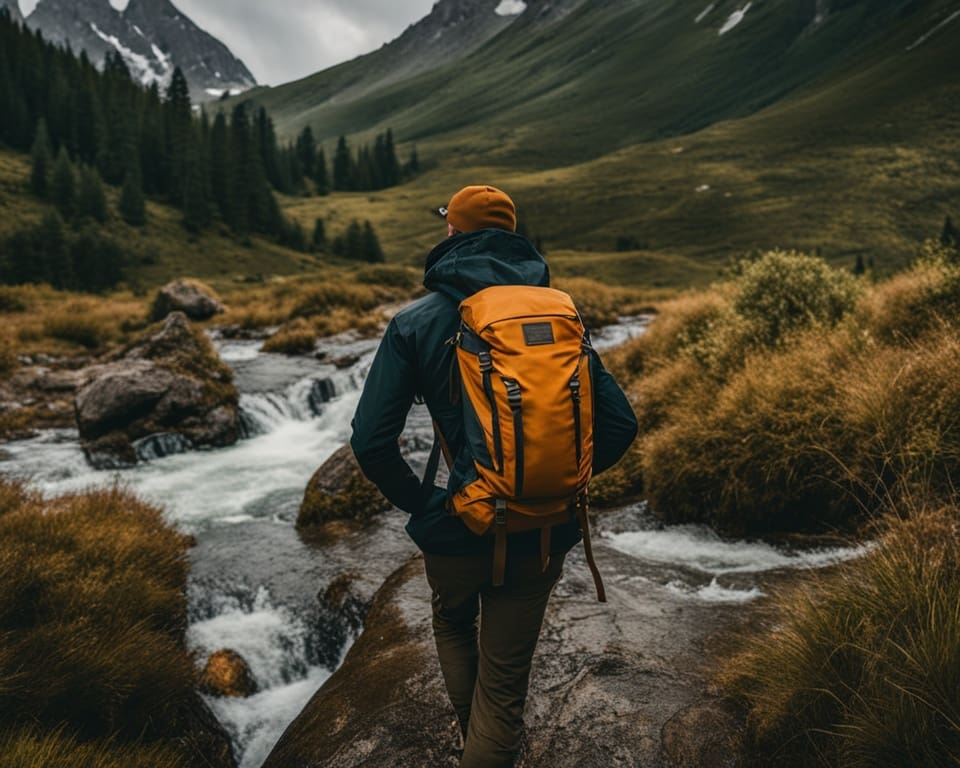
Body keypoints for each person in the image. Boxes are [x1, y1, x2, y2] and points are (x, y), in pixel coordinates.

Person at [350, 185, 637, 767]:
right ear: (512, 238)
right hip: (544, 528)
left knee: (455, 627)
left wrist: (426, 503)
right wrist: (560, 482)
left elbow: (371, 442)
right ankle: (490, 739)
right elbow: (619, 425)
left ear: (452, 234)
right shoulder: (559, 314)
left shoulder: (417, 322)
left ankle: (472, 738)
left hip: (459, 523)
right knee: (505, 685)